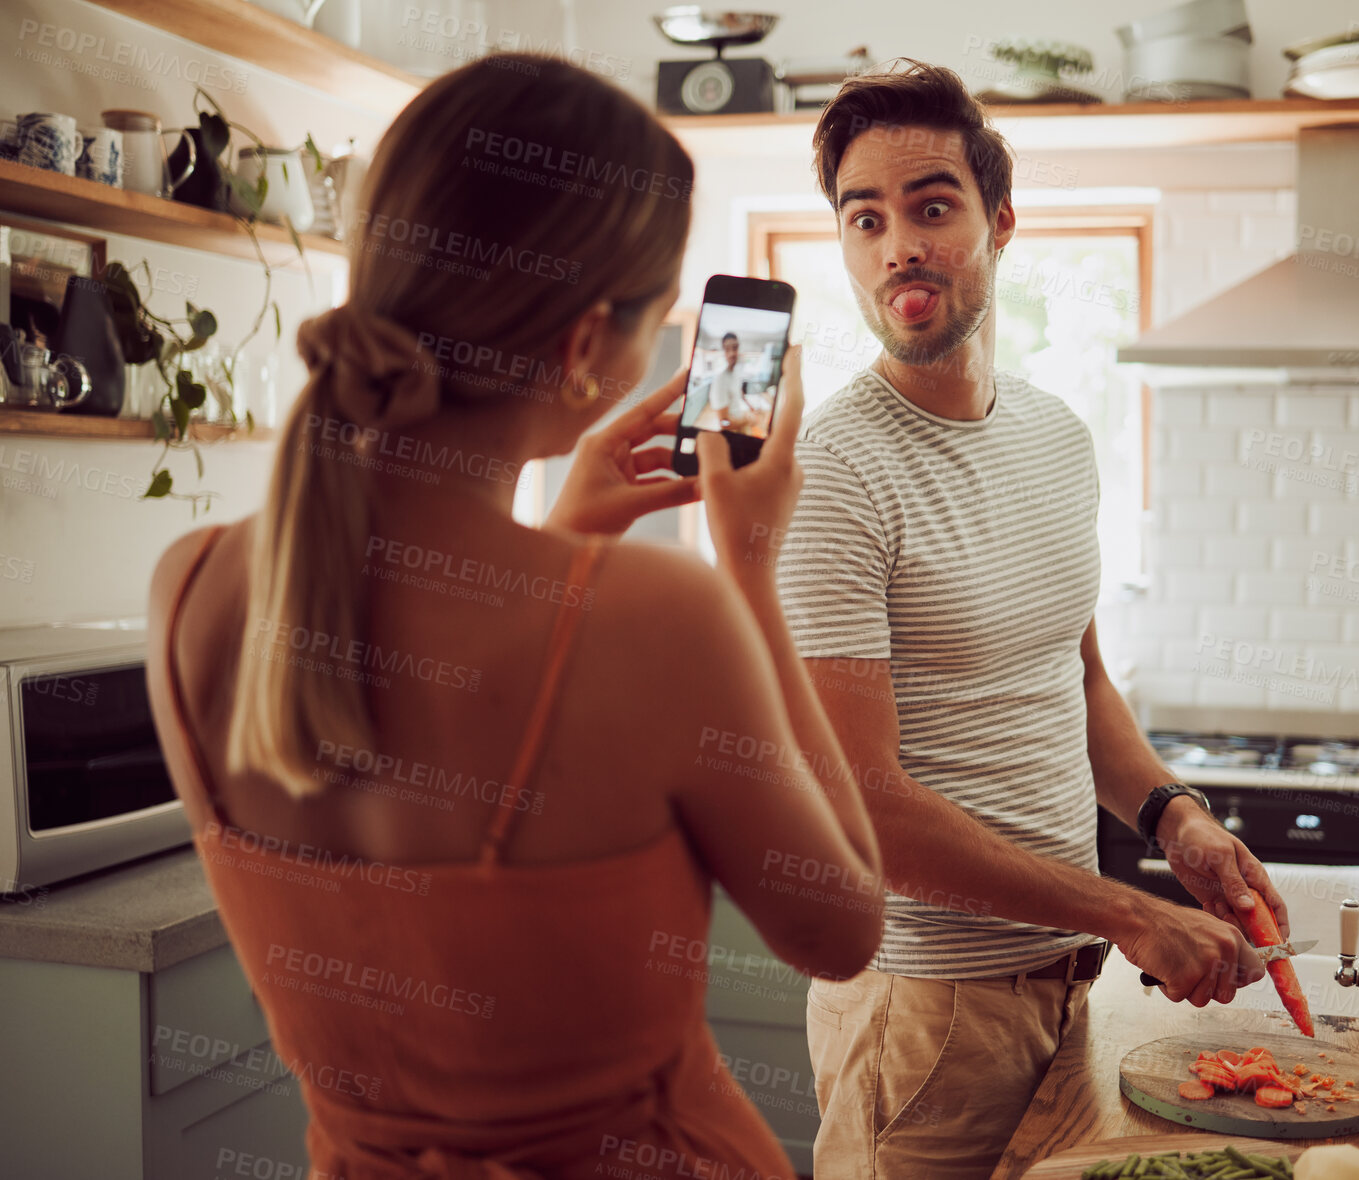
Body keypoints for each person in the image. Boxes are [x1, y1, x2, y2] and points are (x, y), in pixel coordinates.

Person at [143, 53, 881, 1180]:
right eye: (658, 314)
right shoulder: (660, 615)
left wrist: (570, 538)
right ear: (586, 347)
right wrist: (745, 558)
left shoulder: (189, 587)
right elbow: (842, 931)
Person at [773, 60, 1293, 1175]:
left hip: (1066, 992)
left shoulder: (1054, 438)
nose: (897, 244)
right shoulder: (833, 472)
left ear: (998, 222)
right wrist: (1127, 912)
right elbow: (863, 803)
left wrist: (1173, 820)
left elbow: (1075, 678)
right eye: (864, 219)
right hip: (920, 1011)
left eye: (930, 206)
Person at [703, 331, 751, 430]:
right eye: (727, 349)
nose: (732, 353)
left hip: (740, 419)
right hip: (731, 430)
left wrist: (749, 405)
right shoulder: (719, 380)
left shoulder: (737, 371)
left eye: (735, 348)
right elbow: (724, 423)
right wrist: (749, 420)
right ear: (723, 352)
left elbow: (738, 390)